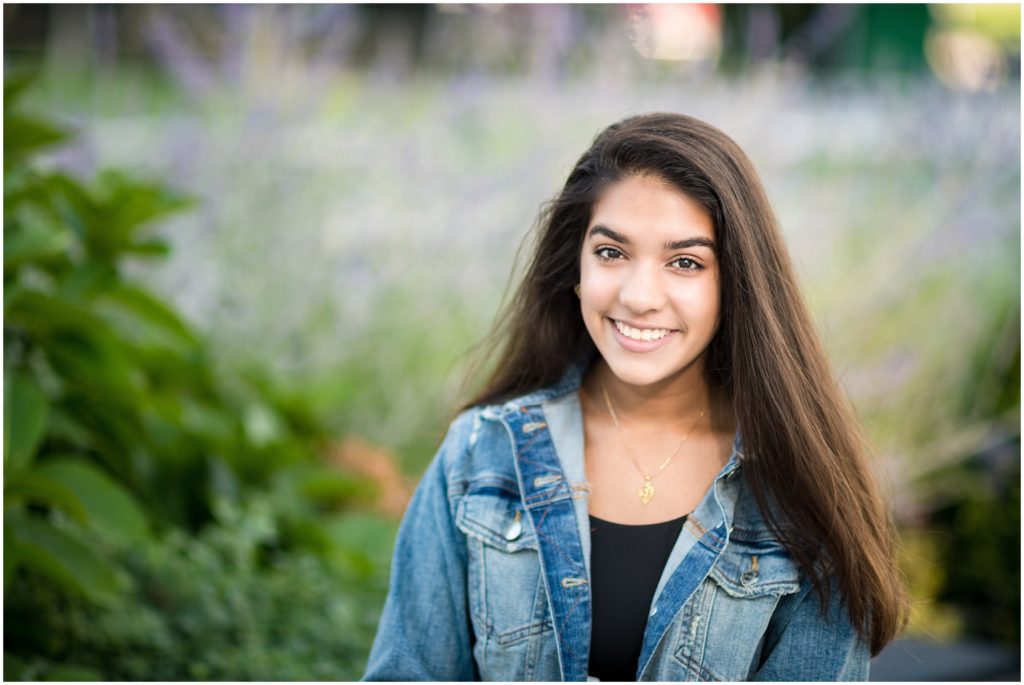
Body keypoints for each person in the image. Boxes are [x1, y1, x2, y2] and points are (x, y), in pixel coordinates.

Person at [363, 113, 908, 681]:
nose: (640, 295)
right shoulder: (480, 455)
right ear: (575, 264)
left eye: (685, 263)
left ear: (736, 284)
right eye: (612, 253)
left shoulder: (804, 496)